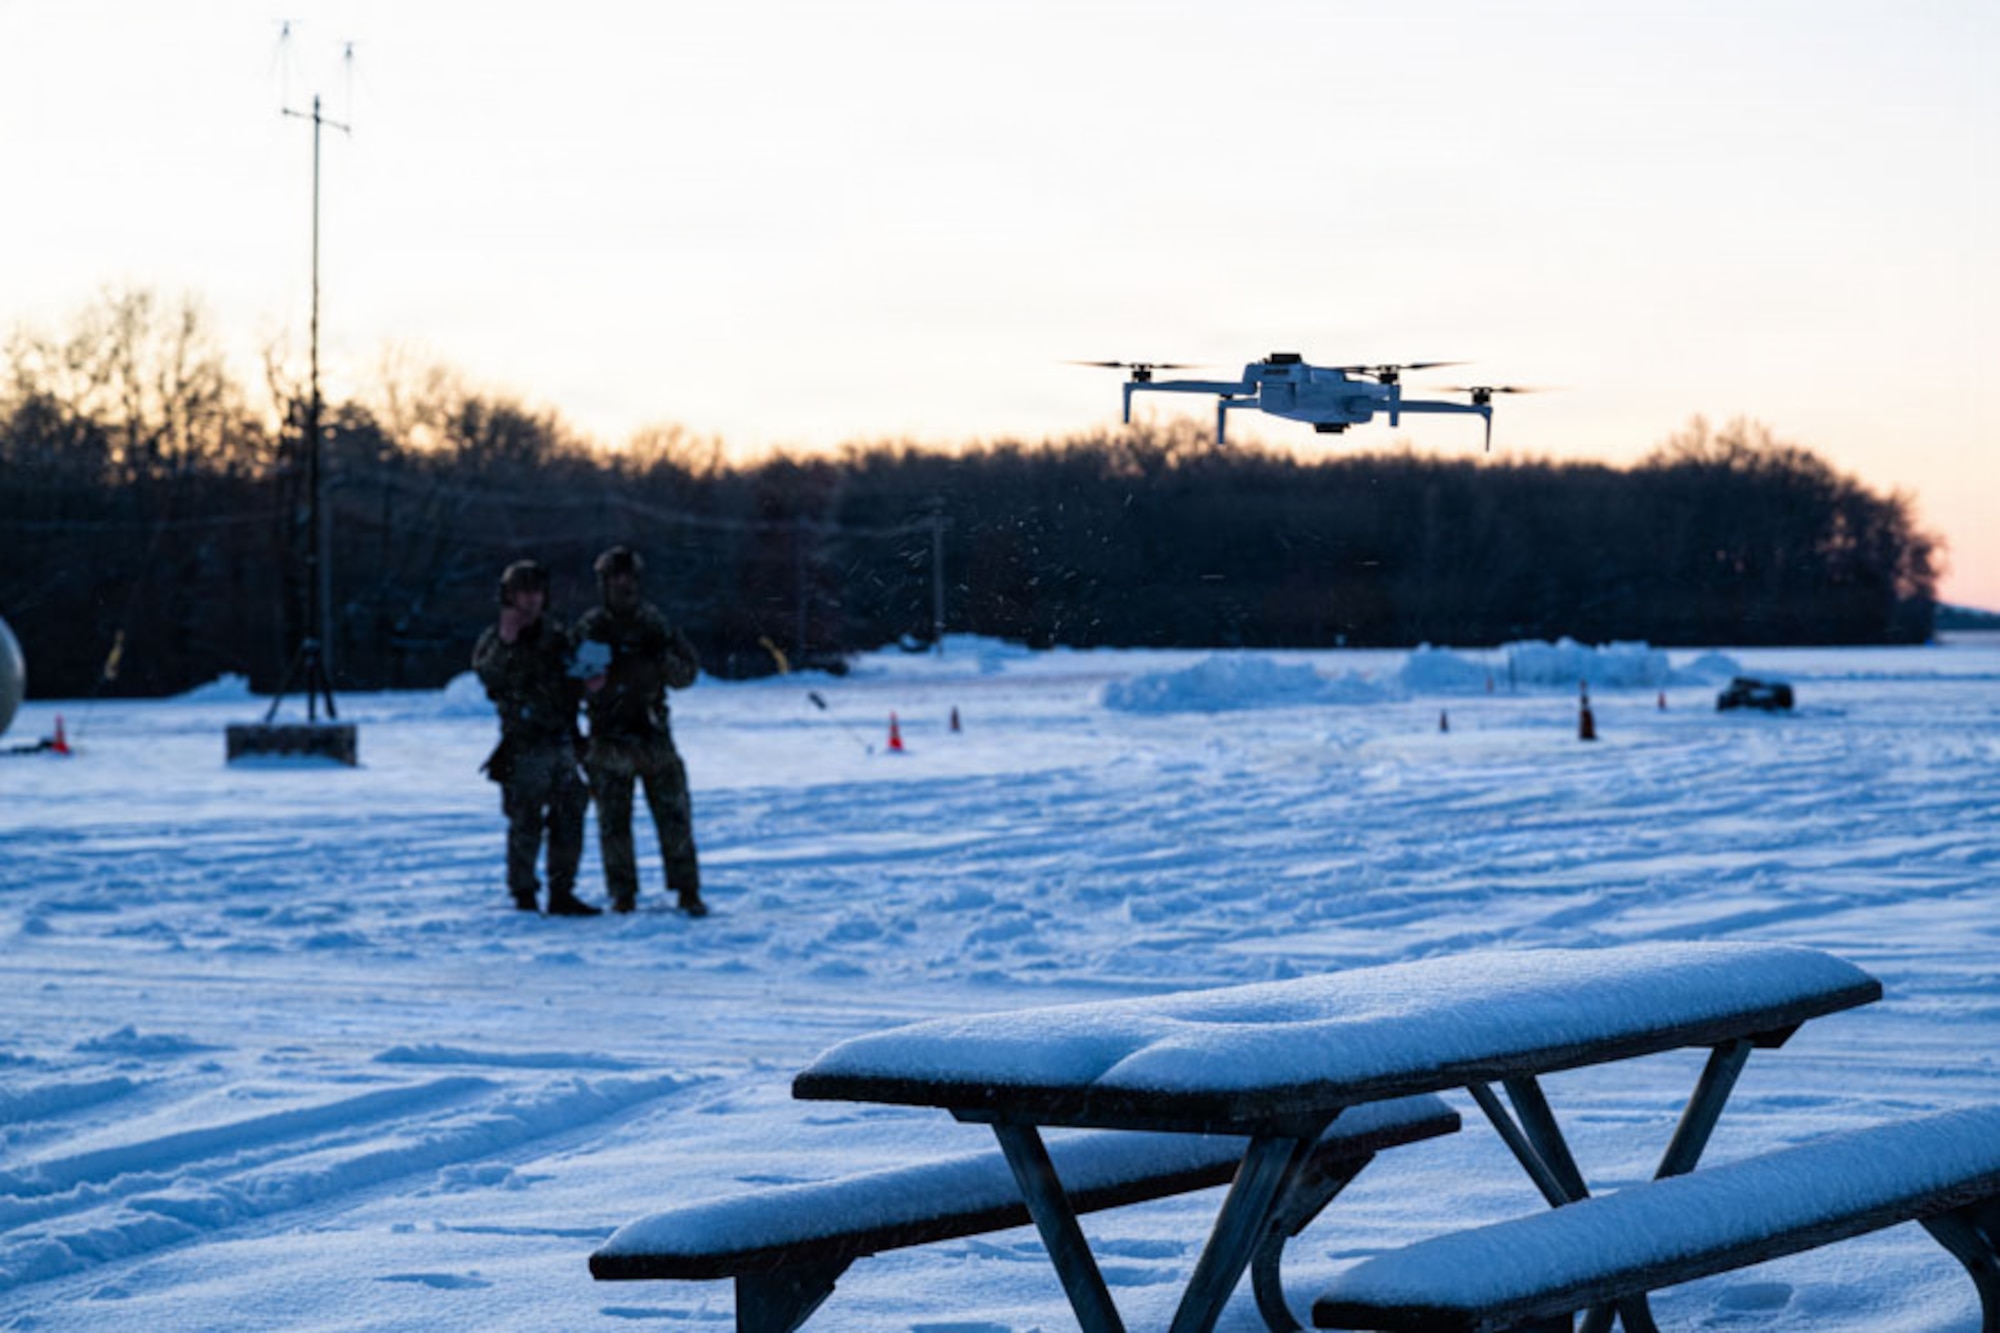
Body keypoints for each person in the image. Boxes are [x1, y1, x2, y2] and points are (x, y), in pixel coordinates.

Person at [573, 545, 708, 917]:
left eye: (629, 576)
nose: (623, 584)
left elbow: (687, 674)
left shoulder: (655, 623)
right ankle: (623, 893)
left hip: (652, 736)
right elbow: (576, 681)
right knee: (613, 823)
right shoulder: (592, 627)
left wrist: (659, 658)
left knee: (675, 816)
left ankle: (687, 890)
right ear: (604, 583)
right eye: (616, 577)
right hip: (609, 737)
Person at [472, 559, 599, 917]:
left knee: (570, 814)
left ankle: (563, 891)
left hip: (561, 740)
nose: (530, 601)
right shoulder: (496, 638)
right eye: (522, 593)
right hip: (524, 742)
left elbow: (573, 679)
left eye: (536, 592)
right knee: (525, 821)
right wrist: (507, 642)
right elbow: (489, 678)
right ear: (508, 596)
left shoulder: (557, 635)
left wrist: (589, 683)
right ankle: (524, 893)